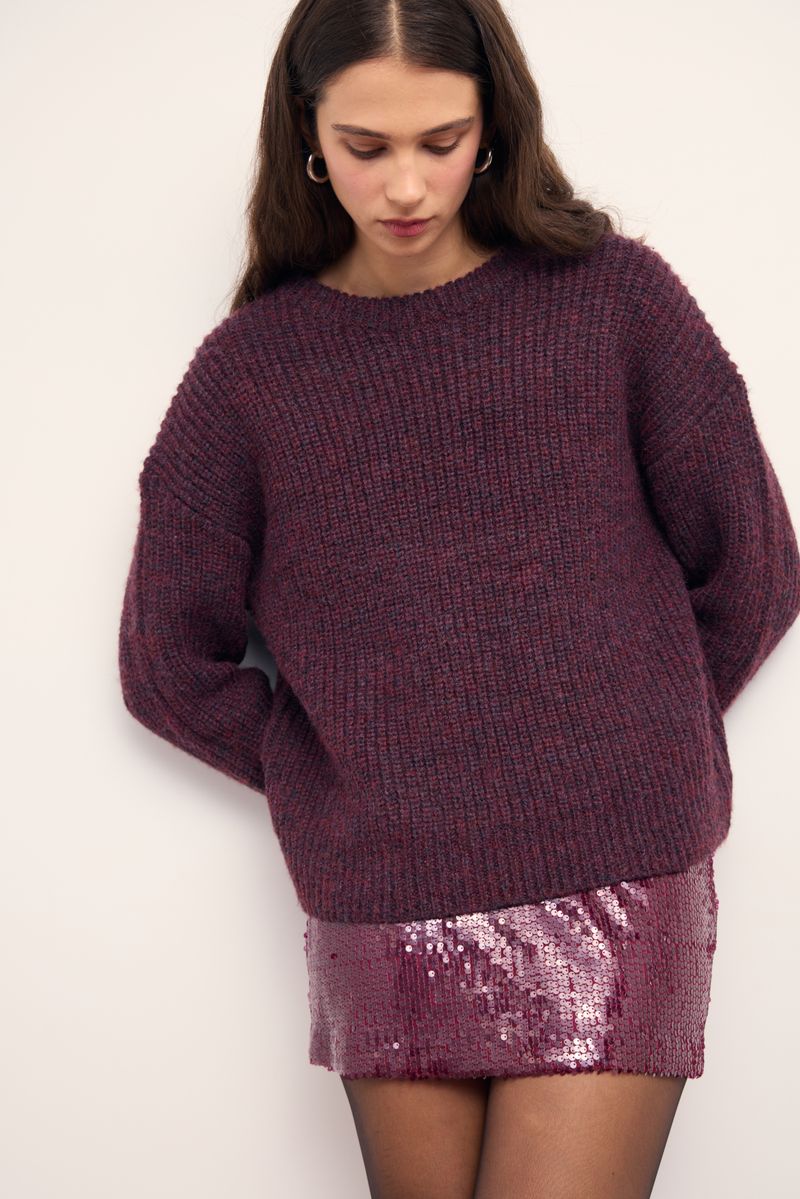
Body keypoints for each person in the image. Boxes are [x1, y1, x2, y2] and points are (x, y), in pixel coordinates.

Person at [117, 2, 800, 1196]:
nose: (404, 185)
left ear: (492, 127)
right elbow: (167, 660)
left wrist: (635, 725)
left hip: (619, 869)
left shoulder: (612, 300)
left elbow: (752, 561)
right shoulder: (250, 374)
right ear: (306, 135)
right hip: (386, 892)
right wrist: (338, 770)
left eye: (440, 140)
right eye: (365, 145)